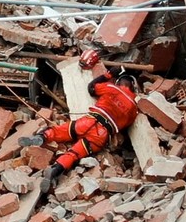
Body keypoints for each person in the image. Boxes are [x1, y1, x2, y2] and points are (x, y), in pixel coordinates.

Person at [31, 63, 139, 193]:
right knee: (74, 153)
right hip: (101, 135)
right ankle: (55, 170)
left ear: (119, 82)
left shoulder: (112, 88)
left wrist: (108, 74)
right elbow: (126, 125)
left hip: (90, 120)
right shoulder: (133, 108)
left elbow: (92, 88)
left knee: (61, 131)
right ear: (133, 87)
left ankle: (42, 137)